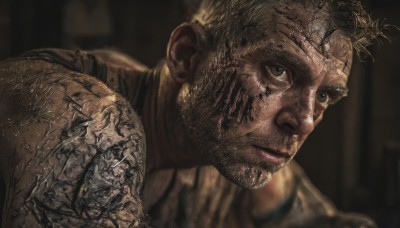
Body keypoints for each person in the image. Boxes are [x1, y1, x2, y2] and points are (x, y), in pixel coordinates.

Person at [0, 0, 385, 227]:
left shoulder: (231, 157)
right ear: (187, 55)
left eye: (326, 96)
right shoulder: (85, 121)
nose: (303, 121)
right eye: (278, 70)